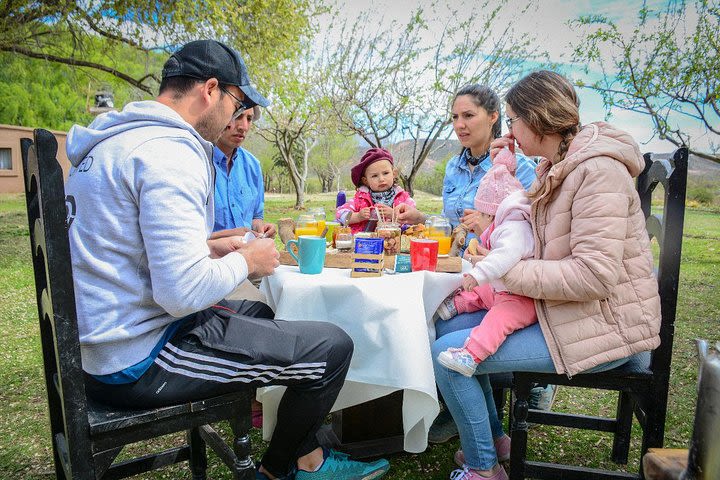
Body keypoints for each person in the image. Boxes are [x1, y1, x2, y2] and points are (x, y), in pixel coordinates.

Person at [64, 39, 389, 480]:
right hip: (135, 358)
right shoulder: (170, 151)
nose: (238, 117)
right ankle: (276, 472)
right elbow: (181, 293)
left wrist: (206, 245)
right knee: (331, 348)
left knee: (262, 310)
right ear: (211, 90)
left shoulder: (115, 143)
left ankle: (306, 451)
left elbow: (126, 245)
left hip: (101, 338)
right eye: (238, 102)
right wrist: (249, 261)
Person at [432, 70, 662, 480]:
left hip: (605, 326)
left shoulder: (597, 172)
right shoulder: (556, 165)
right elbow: (527, 229)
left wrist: (506, 273)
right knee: (441, 332)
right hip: (562, 308)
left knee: (448, 358)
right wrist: (501, 170)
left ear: (537, 119)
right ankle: (495, 441)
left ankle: (484, 470)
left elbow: (594, 276)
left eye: (515, 119)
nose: (511, 129)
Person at [394, 85, 552, 444]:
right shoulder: (453, 164)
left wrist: (489, 229)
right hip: (460, 260)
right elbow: (455, 222)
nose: (460, 125)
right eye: (454, 117)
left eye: (468, 115)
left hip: (499, 271)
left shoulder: (520, 166)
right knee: (431, 313)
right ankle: (451, 404)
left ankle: (463, 406)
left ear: (494, 117)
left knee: (438, 315)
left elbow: (529, 226)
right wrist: (424, 215)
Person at [434, 148, 536, 379]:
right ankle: (457, 305)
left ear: (491, 213)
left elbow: (504, 257)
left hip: (521, 298)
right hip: (503, 288)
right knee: (482, 291)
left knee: (496, 320)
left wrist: (478, 273)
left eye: (480, 212)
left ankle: (471, 355)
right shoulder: (503, 224)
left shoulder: (514, 228)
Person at [211, 106, 276, 240]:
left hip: (248, 257)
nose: (244, 127)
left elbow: (255, 217)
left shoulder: (253, 165)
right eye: (237, 116)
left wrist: (261, 230)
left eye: (249, 118)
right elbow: (183, 239)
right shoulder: (199, 162)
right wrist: (224, 237)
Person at [336, 147, 415, 233]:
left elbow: (413, 219)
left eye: (385, 173)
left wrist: (394, 214)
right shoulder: (360, 199)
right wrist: (358, 216)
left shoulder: (403, 199)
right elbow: (340, 215)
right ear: (365, 181)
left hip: (394, 243)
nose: (381, 179)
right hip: (364, 243)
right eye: (374, 176)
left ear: (394, 174)